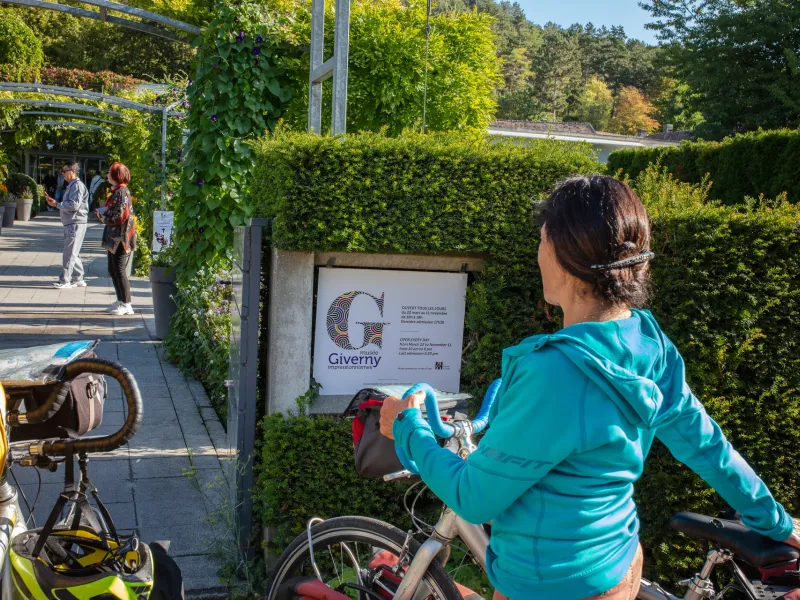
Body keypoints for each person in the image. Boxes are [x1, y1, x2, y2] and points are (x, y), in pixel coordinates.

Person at [380, 176, 800, 600]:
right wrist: (775, 520)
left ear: (563, 256)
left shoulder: (553, 372)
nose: (537, 252)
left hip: (549, 587)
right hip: (620, 562)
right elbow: (706, 446)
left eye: (542, 239)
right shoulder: (646, 341)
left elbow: (473, 498)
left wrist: (407, 427)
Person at [96, 162, 136, 316]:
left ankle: (126, 303)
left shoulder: (122, 192)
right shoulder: (118, 191)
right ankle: (120, 300)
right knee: (113, 269)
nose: (107, 175)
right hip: (115, 236)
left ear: (116, 175)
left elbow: (121, 215)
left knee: (119, 270)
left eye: (109, 172)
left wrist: (104, 217)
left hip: (120, 237)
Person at [44, 162, 89, 289]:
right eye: (62, 171)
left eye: (64, 171)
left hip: (75, 222)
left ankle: (65, 280)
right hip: (73, 222)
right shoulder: (73, 185)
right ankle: (78, 278)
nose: (62, 174)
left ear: (73, 171)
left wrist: (57, 204)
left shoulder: (77, 185)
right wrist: (56, 203)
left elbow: (74, 205)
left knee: (70, 253)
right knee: (73, 252)